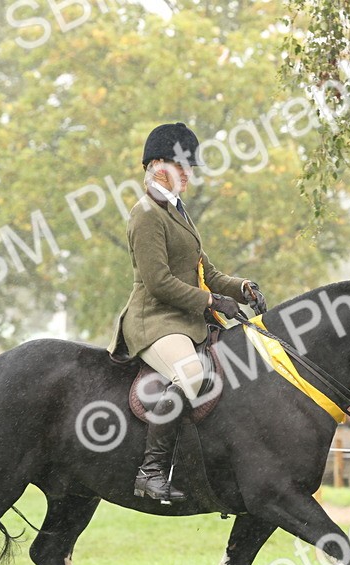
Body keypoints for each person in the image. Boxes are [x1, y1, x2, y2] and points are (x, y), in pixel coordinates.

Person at [108, 122, 266, 502]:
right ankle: (151, 472)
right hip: (154, 322)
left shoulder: (177, 212)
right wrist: (211, 302)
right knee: (192, 374)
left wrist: (241, 289)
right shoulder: (146, 214)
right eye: (184, 167)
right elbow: (158, 281)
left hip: (185, 320)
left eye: (191, 168)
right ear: (158, 164)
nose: (190, 175)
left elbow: (204, 272)